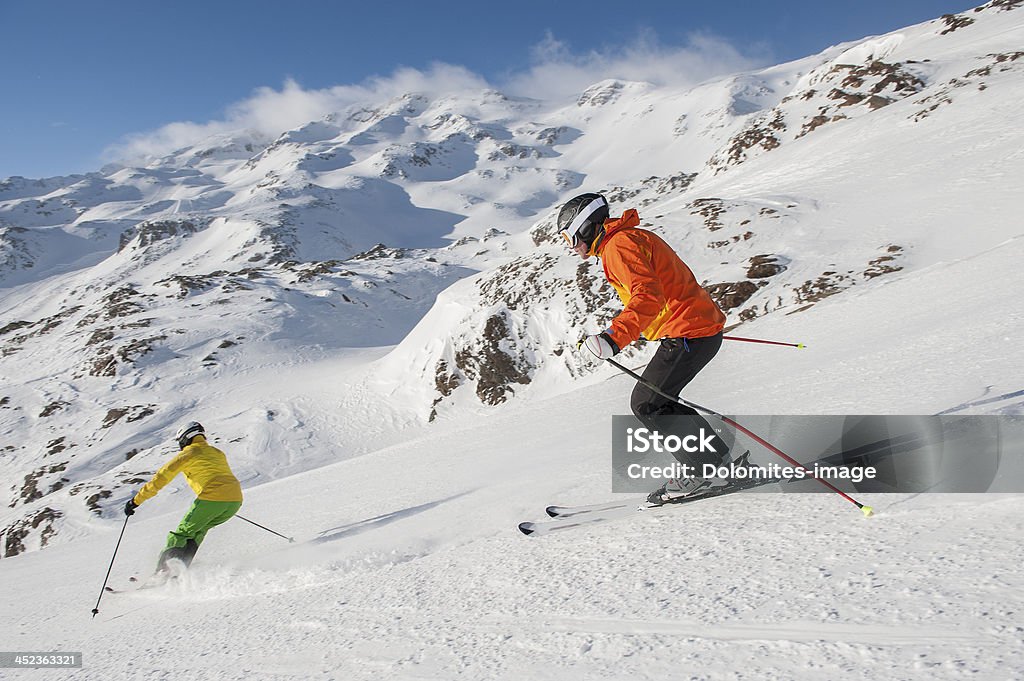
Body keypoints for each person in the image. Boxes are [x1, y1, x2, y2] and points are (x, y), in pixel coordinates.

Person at [557, 192, 743, 504]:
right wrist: (654, 327)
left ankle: (706, 468)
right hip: (694, 329)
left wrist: (614, 337)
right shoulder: (627, 238)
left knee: (648, 403)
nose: (570, 246)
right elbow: (660, 291)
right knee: (658, 401)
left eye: (569, 236)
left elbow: (647, 295)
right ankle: (714, 461)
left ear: (586, 227)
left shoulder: (619, 245)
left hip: (689, 333)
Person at [124, 421, 243, 572]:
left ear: (185, 438)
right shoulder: (217, 452)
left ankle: (162, 574)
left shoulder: (188, 454)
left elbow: (161, 478)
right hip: (234, 501)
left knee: (181, 534)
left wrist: (135, 501)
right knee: (197, 532)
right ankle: (180, 571)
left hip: (212, 499)